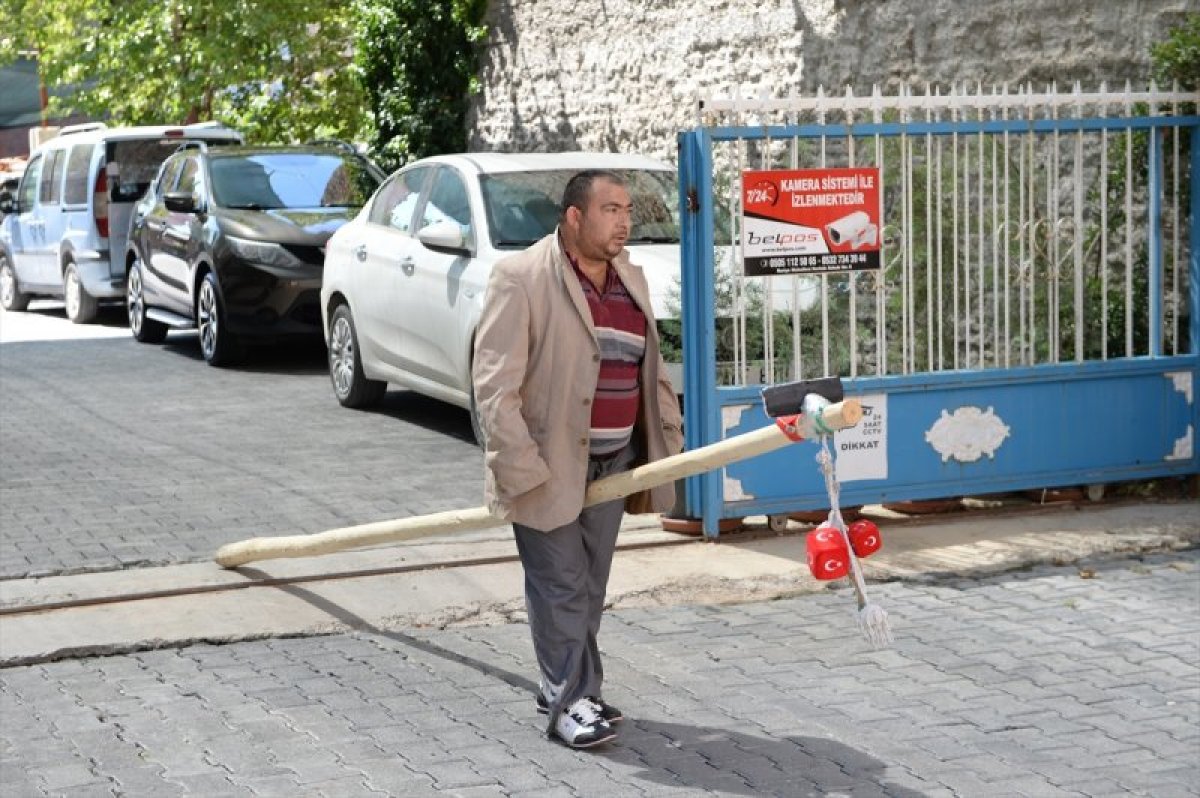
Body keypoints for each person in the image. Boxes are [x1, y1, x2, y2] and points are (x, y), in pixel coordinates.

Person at [472, 169, 684, 749]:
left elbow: (651, 371)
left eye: (628, 211)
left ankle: (569, 687)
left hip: (613, 462)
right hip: (545, 464)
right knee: (559, 586)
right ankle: (569, 704)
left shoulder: (629, 279)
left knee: (588, 587)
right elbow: (494, 385)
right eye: (611, 209)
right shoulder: (520, 278)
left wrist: (670, 437)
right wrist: (520, 467)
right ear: (574, 217)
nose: (624, 221)